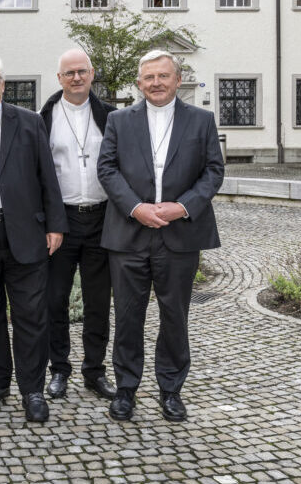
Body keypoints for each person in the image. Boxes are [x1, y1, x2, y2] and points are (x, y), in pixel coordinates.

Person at [97, 50, 224, 422]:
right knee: (127, 315)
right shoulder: (119, 120)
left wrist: (181, 206)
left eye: (163, 76)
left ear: (177, 79)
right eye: (148, 77)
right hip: (128, 233)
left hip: (179, 232)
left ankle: (171, 390)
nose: (155, 83)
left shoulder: (201, 121)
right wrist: (136, 208)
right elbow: (107, 170)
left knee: (175, 316)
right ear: (139, 82)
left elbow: (213, 172)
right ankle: (125, 389)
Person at [0, 52, 67, 422]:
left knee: (31, 315)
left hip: (25, 231)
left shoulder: (29, 121)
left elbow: (46, 175)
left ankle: (32, 389)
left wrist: (55, 224)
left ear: (3, 83)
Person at [38, 48, 118, 401]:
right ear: (59, 78)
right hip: (61, 222)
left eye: (81, 71)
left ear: (92, 73)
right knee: (55, 300)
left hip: (102, 219)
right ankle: (59, 369)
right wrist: (46, 222)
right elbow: (37, 177)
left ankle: (95, 371)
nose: (75, 77)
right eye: (68, 72)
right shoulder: (44, 119)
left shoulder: (111, 117)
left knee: (98, 302)